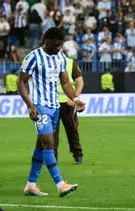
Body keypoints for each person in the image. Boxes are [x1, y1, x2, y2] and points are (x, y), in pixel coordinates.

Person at [18, 27, 85, 197]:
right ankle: (60, 184)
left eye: (60, 45)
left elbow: (65, 82)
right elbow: (21, 82)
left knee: (41, 146)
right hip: (40, 107)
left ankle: (31, 185)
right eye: (55, 45)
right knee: (49, 143)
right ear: (46, 40)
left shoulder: (61, 57)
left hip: (55, 107)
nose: (57, 48)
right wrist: (30, 106)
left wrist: (75, 99)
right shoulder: (33, 57)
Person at [54, 57, 84, 164]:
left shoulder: (70, 62)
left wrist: (74, 98)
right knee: (51, 132)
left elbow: (80, 82)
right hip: (51, 104)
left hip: (68, 103)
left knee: (72, 130)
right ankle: (52, 158)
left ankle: (78, 155)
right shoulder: (45, 61)